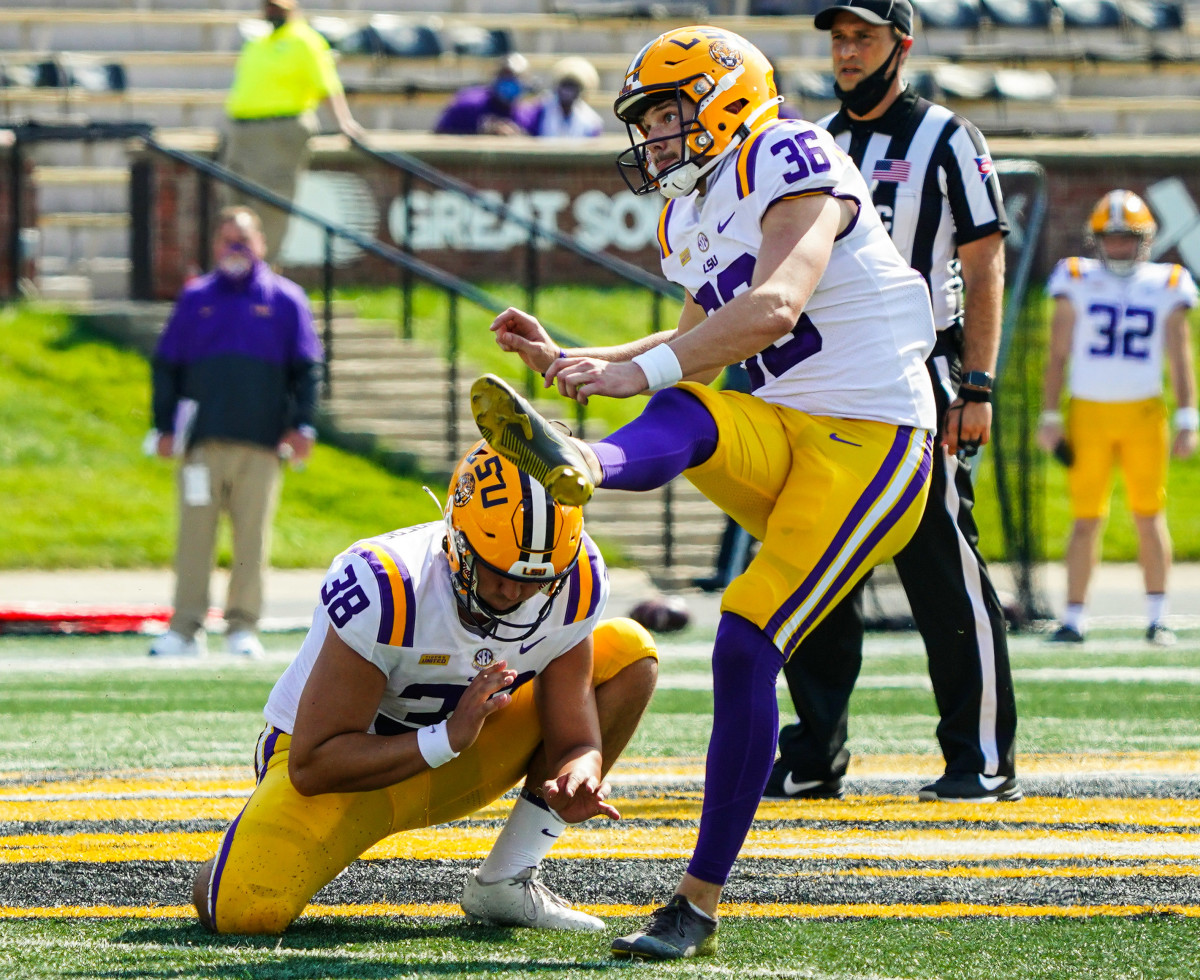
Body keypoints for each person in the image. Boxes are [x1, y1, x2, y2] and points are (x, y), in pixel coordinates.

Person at [469, 25, 937, 960]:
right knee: (685, 398)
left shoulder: (788, 149)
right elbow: (688, 344)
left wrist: (633, 378)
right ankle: (587, 467)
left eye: (669, 112)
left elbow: (773, 310)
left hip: (875, 447)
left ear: (725, 97)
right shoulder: (686, 214)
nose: (656, 136)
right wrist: (580, 358)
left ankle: (695, 903)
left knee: (741, 645)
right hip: (785, 433)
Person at [191, 440, 659, 935]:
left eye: (535, 580)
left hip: (470, 753)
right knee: (238, 911)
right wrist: (447, 737)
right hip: (347, 774)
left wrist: (580, 771)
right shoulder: (389, 585)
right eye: (498, 572)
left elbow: (575, 739)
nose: (515, 593)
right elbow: (313, 763)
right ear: (457, 541)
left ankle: (508, 878)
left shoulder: (575, 579)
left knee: (629, 651)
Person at [767, 0, 1020, 806]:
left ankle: (978, 756)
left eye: (862, 37)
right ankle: (815, 755)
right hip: (829, 381)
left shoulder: (947, 137)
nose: (846, 53)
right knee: (814, 567)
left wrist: (975, 384)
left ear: (899, 45)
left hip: (921, 373)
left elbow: (984, 265)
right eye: (839, 39)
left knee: (942, 569)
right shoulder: (818, 144)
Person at [149, 206, 324, 660]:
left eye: (244, 241)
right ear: (215, 246)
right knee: (194, 538)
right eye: (228, 241)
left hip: (262, 445)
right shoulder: (196, 299)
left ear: (261, 246)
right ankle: (186, 628)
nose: (236, 250)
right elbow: (167, 366)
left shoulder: (286, 300)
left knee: (250, 540)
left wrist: (302, 425)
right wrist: (163, 426)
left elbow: (307, 370)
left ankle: (242, 626)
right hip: (203, 443)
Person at [1038, 190, 1198, 646]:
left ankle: (1158, 616)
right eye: (1112, 238)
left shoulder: (1168, 281)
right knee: (1085, 518)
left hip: (1144, 412)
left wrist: (1189, 418)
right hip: (1087, 410)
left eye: (1128, 238)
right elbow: (1058, 352)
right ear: (1097, 240)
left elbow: (1180, 355)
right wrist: (1049, 415)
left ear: (1144, 239)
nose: (1120, 247)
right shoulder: (1075, 277)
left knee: (1149, 514)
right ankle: (1073, 619)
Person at [222, 0, 364, 260]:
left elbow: (327, 83)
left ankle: (262, 272)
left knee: (269, 207)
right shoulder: (259, 40)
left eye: (277, 7)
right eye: (268, 6)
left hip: (279, 132)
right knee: (235, 210)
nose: (271, 11)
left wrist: (343, 121)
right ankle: (234, 274)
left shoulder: (305, 40)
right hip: (243, 133)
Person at [434, 53, 538, 136]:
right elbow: (439, 138)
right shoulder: (467, 105)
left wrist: (516, 137)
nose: (509, 82)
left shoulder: (529, 115)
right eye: (504, 75)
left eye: (516, 77)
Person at [529, 57, 605, 138]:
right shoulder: (541, 111)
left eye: (573, 86)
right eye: (564, 85)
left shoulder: (591, 121)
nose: (567, 91)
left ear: (580, 92)